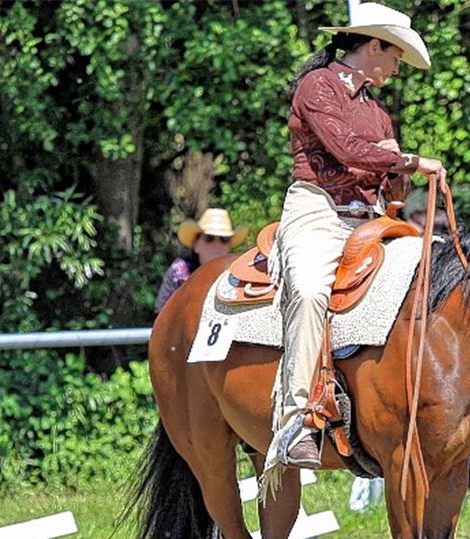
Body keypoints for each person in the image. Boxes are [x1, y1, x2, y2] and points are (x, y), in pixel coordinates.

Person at [264, 3, 447, 471]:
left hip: (369, 218)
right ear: (373, 46)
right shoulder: (317, 86)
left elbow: (392, 188)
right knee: (307, 292)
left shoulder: (378, 113)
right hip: (318, 210)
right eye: (395, 56)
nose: (396, 67)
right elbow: (344, 148)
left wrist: (397, 171)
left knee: (431, 280)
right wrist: (407, 160)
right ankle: (297, 420)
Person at [154, 208, 247, 313]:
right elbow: (161, 314)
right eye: (209, 238)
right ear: (196, 245)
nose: (216, 245)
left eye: (224, 239)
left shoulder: (237, 277)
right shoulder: (178, 272)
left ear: (229, 246)